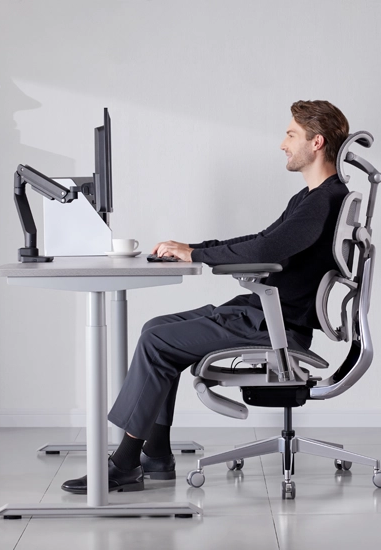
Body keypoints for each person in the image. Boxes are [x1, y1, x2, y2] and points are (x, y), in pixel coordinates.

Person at [62, 100, 352, 493]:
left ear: (316, 142)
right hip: (263, 315)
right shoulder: (313, 198)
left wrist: (197, 255)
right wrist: (192, 246)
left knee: (157, 341)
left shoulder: (322, 202)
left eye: (290, 135)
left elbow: (263, 253)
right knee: (157, 328)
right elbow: (262, 240)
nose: (282, 144)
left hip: (272, 325)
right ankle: (157, 455)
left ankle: (126, 462)